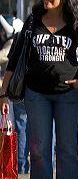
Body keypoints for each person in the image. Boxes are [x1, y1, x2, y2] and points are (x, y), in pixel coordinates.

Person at [0, 0, 78, 179]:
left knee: (67, 150)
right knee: (38, 150)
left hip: (68, 96)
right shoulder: (32, 21)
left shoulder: (77, 23)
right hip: (36, 95)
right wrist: (3, 94)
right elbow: (15, 58)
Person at [0, 14, 30, 174]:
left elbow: (7, 60)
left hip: (19, 91)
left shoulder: (16, 39)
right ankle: (48, 165)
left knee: (21, 127)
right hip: (36, 91)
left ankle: (21, 166)